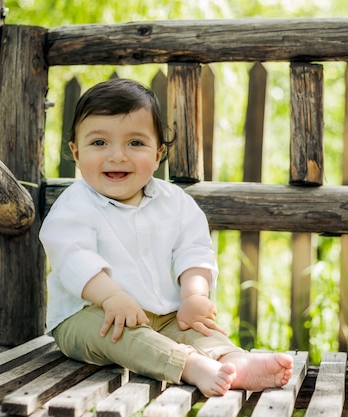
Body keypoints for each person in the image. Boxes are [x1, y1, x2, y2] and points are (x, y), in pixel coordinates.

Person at [39, 78, 293, 397]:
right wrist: (112, 297)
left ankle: (235, 361)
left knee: (197, 327)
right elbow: (73, 258)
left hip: (164, 313)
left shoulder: (173, 201)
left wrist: (193, 297)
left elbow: (194, 250)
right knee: (121, 332)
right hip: (88, 316)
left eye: (135, 143)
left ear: (158, 154)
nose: (117, 156)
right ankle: (188, 366)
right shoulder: (76, 205)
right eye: (99, 143)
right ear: (76, 153)